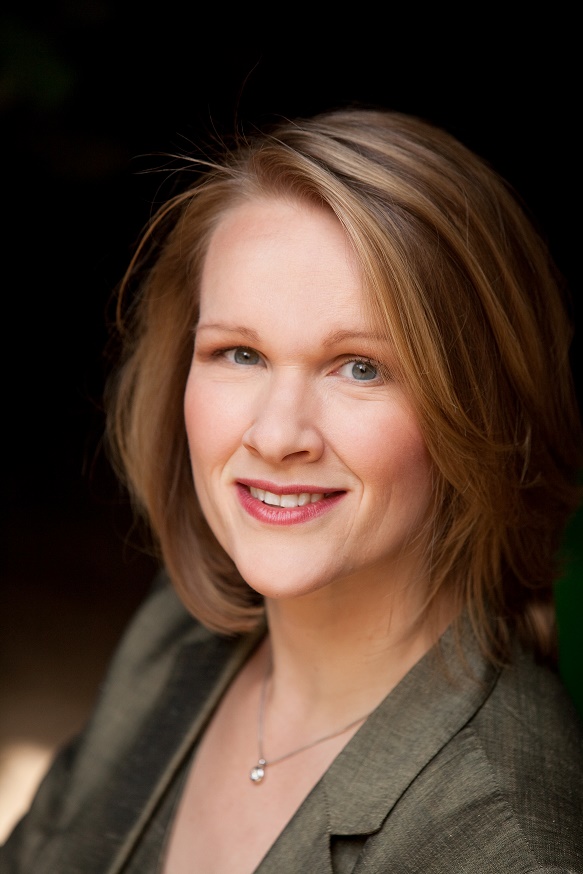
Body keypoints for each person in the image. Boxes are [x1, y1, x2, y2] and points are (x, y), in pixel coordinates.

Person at [1, 107, 582, 874]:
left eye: (360, 367)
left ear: (479, 409)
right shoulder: (176, 632)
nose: (276, 436)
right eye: (239, 353)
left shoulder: (499, 842)